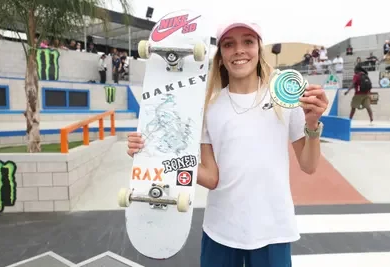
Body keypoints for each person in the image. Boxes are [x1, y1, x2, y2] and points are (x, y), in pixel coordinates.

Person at [126, 20, 329, 267]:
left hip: (273, 229)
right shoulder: (207, 107)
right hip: (221, 230)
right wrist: (155, 152)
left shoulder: (284, 100)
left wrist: (312, 124)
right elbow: (211, 178)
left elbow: (309, 165)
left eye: (248, 41)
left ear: (259, 49)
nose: (239, 50)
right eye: (229, 44)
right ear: (220, 55)